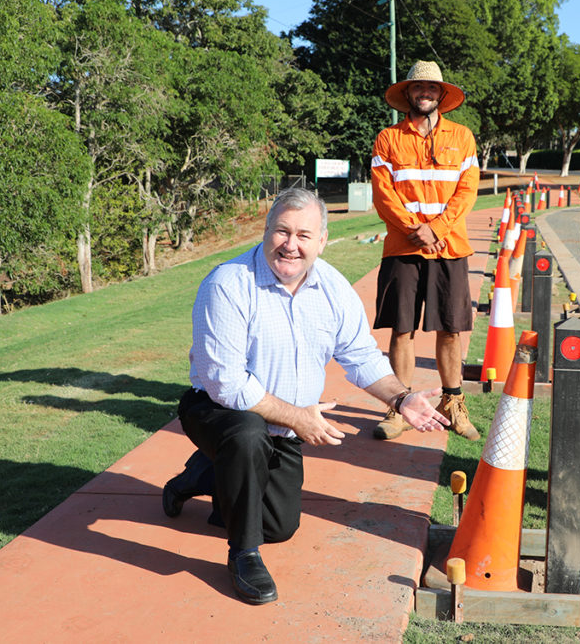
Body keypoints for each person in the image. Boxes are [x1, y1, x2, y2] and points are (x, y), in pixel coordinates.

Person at [161, 188, 449, 605]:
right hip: (216, 410)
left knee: (279, 525)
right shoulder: (227, 284)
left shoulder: (332, 287)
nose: (290, 245)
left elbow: (360, 355)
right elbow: (226, 383)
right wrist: (298, 417)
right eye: (281, 231)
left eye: (303, 235)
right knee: (246, 435)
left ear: (322, 241)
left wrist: (401, 399)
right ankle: (244, 554)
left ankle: (200, 476)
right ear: (265, 231)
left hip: (284, 423)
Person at [369, 60, 480, 441]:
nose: (425, 93)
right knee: (402, 330)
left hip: (450, 248)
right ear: (408, 94)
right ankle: (398, 408)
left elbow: (467, 191)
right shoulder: (387, 138)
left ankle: (453, 403)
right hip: (403, 248)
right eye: (419, 88)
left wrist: (436, 228)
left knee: (450, 330)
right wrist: (415, 230)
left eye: (432, 88)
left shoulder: (463, 137)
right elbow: (383, 195)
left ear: (442, 95)